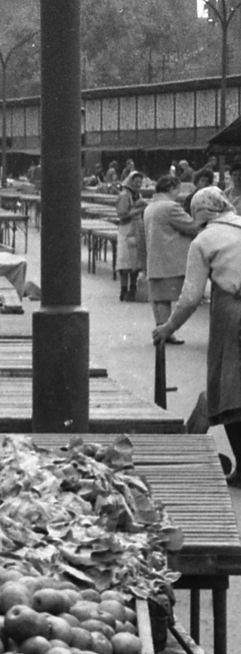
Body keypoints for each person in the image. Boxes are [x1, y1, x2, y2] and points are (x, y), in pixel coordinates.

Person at [155, 187, 241, 482]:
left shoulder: (204, 240)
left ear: (199, 215)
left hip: (233, 314)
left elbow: (191, 298)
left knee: (227, 391)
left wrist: (168, 327)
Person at [144, 174, 201, 345]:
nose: (178, 193)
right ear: (171, 188)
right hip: (170, 261)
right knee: (166, 298)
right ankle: (165, 333)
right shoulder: (171, 207)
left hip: (155, 259)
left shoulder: (150, 207)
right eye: (177, 189)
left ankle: (160, 330)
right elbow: (191, 227)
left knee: (159, 298)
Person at [116, 171, 149, 301]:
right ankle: (124, 289)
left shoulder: (137, 195)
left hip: (137, 229)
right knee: (125, 262)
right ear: (130, 181)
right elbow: (122, 215)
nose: (138, 184)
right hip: (126, 229)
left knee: (136, 261)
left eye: (140, 182)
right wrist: (139, 210)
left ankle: (133, 288)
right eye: (136, 182)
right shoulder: (124, 195)